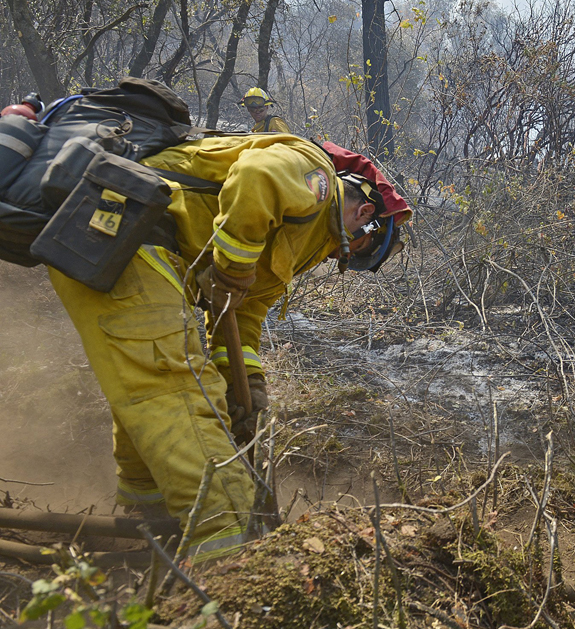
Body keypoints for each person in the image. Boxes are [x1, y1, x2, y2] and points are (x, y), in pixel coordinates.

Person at [48, 132, 410, 562]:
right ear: (365, 212)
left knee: (157, 378)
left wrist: (249, 385)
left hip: (145, 254)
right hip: (122, 234)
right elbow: (254, 176)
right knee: (173, 381)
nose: (341, 257)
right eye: (359, 246)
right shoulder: (314, 175)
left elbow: (244, 310)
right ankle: (230, 545)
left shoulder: (310, 238)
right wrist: (232, 267)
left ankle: (151, 509)